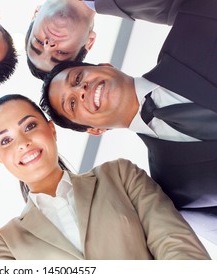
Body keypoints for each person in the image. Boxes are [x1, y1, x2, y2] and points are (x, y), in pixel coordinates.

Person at [40, 0, 217, 243]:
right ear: (95, 130)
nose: (81, 90)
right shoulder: (173, 192)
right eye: (72, 104)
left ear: (106, 66)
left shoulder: (193, 24)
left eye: (77, 78)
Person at [0, 94, 210, 260]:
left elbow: (176, 243)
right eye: (5, 141)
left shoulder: (120, 175)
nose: (23, 143)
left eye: (30, 126)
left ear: (52, 129)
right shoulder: (7, 242)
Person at [25, 0, 186, 80]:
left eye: (38, 42)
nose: (48, 44)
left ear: (35, 13)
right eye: (60, 52)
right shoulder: (170, 8)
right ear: (89, 42)